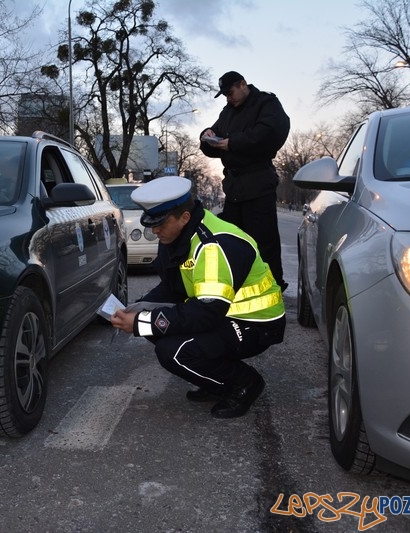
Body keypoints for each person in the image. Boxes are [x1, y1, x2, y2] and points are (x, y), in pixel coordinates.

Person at [110, 176, 285, 418]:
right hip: (225, 314)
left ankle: (245, 383)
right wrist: (140, 308)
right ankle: (215, 380)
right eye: (151, 223)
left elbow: (205, 314)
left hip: (255, 323)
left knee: (173, 350)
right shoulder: (177, 236)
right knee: (155, 328)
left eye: (160, 223)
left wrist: (141, 323)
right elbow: (174, 288)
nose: (154, 230)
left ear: (184, 218)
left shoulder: (213, 246)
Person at [199, 71, 290, 291]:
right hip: (234, 188)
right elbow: (213, 139)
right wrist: (207, 135)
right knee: (234, 242)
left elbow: (267, 134)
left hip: (258, 184)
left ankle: (272, 289)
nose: (228, 98)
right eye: (225, 95)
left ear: (243, 84)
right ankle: (239, 288)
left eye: (230, 93)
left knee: (263, 243)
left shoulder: (266, 103)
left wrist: (233, 143)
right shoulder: (228, 111)